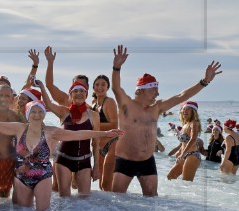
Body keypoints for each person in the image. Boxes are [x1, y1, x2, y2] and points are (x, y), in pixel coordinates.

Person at [0, 101, 123, 211]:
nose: (37, 114)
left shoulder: (51, 132)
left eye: (40, 111)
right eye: (33, 111)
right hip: (21, 178)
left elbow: (78, 134)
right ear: (28, 114)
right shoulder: (19, 128)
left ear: (44, 113)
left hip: (42, 176)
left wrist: (105, 133)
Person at [109, 44, 222, 196]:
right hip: (125, 160)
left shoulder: (157, 108)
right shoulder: (126, 104)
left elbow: (182, 96)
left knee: (152, 202)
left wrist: (204, 81)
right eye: (154, 90)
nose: (158, 93)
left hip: (147, 161)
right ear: (142, 90)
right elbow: (116, 88)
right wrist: (116, 68)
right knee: (118, 202)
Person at [39, 73, 101, 197]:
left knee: (85, 199)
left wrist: (97, 167)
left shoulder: (94, 115)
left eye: (82, 91)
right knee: (65, 200)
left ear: (86, 94)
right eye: (75, 91)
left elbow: (95, 143)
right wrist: (41, 87)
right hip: (64, 160)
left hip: (84, 161)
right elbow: (49, 104)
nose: (79, 93)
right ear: (71, 95)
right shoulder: (64, 112)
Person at [91, 74, 119, 191]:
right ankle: (102, 210)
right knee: (101, 185)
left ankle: (114, 208)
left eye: (103, 85)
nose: (100, 87)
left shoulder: (110, 102)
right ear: (93, 87)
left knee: (106, 184)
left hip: (111, 144)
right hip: (98, 147)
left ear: (107, 87)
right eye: (97, 84)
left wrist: (92, 127)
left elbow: (114, 125)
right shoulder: (93, 104)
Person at [167, 101, 203, 181]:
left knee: (186, 183)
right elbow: (184, 142)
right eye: (184, 109)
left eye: (188, 109)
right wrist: (180, 152)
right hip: (184, 155)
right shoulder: (185, 125)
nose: (185, 111)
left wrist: (183, 154)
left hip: (192, 155)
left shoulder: (194, 123)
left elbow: (193, 139)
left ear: (193, 112)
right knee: (170, 177)